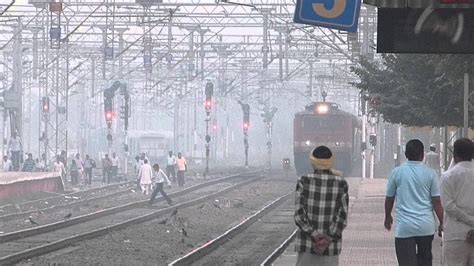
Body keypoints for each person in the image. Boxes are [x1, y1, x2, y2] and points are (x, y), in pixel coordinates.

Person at [384, 139, 444, 266]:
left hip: (404, 228)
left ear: (405, 155)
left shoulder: (397, 172)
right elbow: (437, 202)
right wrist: (442, 222)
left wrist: (387, 216)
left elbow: (389, 199)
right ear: (423, 155)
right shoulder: (431, 174)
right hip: (426, 227)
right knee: (425, 262)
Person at [294, 146, 348, 266]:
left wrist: (316, 236)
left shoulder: (303, 181)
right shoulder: (341, 183)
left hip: (306, 245)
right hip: (331, 249)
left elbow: (299, 216)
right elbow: (342, 218)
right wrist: (327, 239)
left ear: (312, 161)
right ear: (331, 161)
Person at [440, 138, 474, 266]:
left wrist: (469, 220)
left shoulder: (448, 176)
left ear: (454, 155)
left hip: (455, 235)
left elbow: (449, 206)